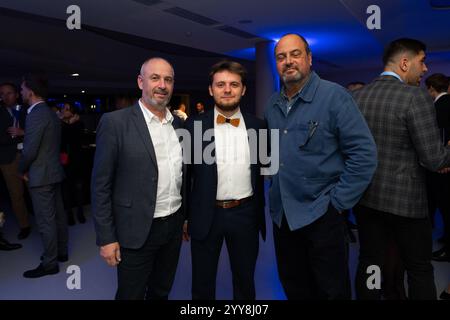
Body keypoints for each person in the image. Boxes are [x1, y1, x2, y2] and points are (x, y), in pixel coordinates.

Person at [264, 33, 377, 300]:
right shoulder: (272, 104)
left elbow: (364, 155)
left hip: (322, 217)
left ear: (309, 59)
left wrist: (337, 203)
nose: (288, 61)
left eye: (295, 54)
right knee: (295, 287)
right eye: (281, 57)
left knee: (331, 290)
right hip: (283, 219)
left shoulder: (334, 96)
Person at [352, 38, 450, 300]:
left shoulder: (357, 96)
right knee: (418, 268)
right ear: (405, 63)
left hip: (367, 199)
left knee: (370, 262)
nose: (425, 68)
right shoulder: (415, 96)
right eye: (422, 61)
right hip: (407, 203)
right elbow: (434, 159)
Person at [91, 57, 185, 300]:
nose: (162, 85)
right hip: (135, 230)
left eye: (168, 79)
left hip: (173, 227)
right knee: (130, 294)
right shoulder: (115, 123)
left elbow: (185, 177)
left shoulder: (180, 126)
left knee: (161, 291)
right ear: (140, 82)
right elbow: (100, 185)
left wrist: (184, 218)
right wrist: (107, 238)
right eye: (155, 78)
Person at [184, 60, 266, 300]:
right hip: (205, 214)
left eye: (233, 84)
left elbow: (267, 170)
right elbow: (185, 176)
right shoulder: (193, 126)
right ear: (211, 90)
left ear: (243, 89)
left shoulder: (259, 126)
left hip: (246, 214)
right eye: (220, 84)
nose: (227, 90)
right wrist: (186, 217)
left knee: (244, 279)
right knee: (202, 281)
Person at [19, 73, 67, 278]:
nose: (21, 92)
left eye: (22, 89)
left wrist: (21, 169)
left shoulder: (36, 114)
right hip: (53, 172)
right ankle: (62, 253)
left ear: (30, 91)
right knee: (59, 216)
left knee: (46, 221)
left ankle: (50, 264)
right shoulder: (49, 112)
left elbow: (29, 151)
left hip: (41, 176)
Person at [424, 73, 450, 262]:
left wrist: (444, 161)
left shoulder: (438, 107)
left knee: (446, 207)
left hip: (443, 167)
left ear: (431, 88)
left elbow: (439, 139)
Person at [0, 82, 31, 239]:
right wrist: (16, 136)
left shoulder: (28, 110)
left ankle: (44, 222)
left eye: (9, 93)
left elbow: (36, 132)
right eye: (2, 94)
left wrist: (22, 132)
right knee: (15, 194)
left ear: (17, 94)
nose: (5, 96)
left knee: (36, 190)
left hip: (29, 156)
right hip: (8, 159)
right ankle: (24, 225)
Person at [60, 102, 86, 225]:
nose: (63, 110)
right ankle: (69, 214)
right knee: (66, 190)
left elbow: (75, 139)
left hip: (78, 162)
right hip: (64, 162)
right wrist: (68, 124)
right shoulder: (59, 125)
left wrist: (70, 125)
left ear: (73, 113)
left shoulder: (79, 124)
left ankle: (80, 213)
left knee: (79, 188)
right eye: (63, 108)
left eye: (66, 109)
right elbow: (62, 140)